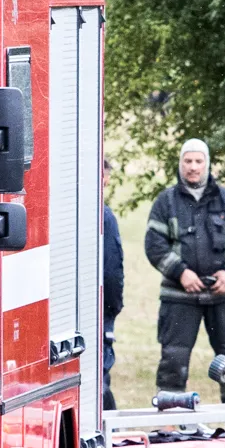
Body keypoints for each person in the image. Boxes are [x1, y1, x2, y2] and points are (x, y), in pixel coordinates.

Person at [145, 138, 225, 397]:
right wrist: (180, 272)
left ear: (207, 164)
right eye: (188, 161)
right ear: (180, 164)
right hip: (179, 298)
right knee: (173, 360)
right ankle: (169, 424)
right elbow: (154, 246)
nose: (193, 167)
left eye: (198, 161)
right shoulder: (166, 202)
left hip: (223, 297)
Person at [100, 155, 124, 410]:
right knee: (100, 380)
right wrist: (113, 308)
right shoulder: (104, 217)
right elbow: (112, 272)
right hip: (98, 311)